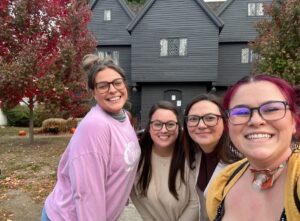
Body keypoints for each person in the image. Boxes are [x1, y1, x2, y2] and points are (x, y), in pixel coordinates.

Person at [41, 54, 141, 221]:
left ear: (125, 85)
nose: (112, 90)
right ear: (93, 93)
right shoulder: (94, 126)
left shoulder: (125, 117)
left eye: (117, 82)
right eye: (103, 86)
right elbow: (88, 195)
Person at [206, 74, 300, 221]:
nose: (256, 121)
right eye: (241, 112)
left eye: (271, 109)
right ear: (228, 125)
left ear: (294, 122)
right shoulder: (222, 183)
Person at [130, 100, 199, 221]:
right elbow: (136, 198)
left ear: (179, 127)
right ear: (149, 127)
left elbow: (195, 203)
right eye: (157, 124)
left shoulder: (191, 157)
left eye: (170, 124)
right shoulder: (137, 158)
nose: (163, 130)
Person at [182, 94, 241, 221]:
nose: (201, 125)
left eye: (210, 118)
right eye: (193, 119)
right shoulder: (192, 157)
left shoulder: (242, 162)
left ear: (225, 122)